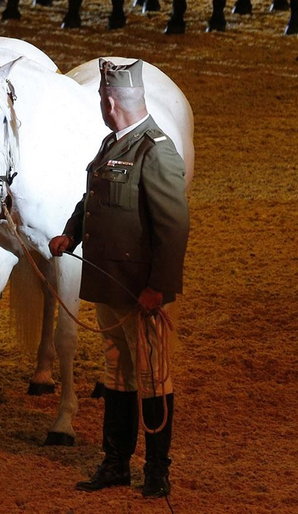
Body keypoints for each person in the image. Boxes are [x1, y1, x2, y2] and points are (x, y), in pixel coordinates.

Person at [49, 59, 188, 500]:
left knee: (152, 376)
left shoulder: (156, 151)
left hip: (138, 290)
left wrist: (159, 288)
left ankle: (157, 469)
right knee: (118, 373)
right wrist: (71, 233)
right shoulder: (114, 143)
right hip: (108, 282)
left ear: (110, 102)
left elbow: (173, 228)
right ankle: (115, 462)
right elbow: (93, 195)